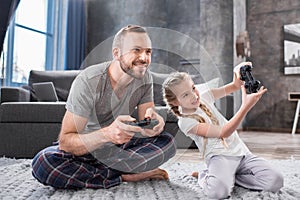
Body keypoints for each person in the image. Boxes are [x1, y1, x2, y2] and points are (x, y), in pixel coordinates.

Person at [31, 25, 176, 189]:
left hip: (120, 150)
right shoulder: (88, 80)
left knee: (167, 142)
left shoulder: (144, 77)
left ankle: (101, 174)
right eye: (136, 50)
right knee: (43, 163)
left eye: (148, 51)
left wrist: (153, 125)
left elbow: (146, 125)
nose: (144, 58)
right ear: (116, 53)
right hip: (85, 151)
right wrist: (107, 134)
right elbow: (65, 142)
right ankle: (123, 176)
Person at [162, 62, 284, 199]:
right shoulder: (186, 122)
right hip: (219, 157)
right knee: (218, 193)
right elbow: (223, 132)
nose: (194, 96)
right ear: (174, 102)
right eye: (185, 95)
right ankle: (205, 176)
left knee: (276, 181)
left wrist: (237, 72)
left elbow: (234, 86)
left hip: (241, 153)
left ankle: (231, 177)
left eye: (193, 88)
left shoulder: (203, 95)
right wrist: (245, 107)